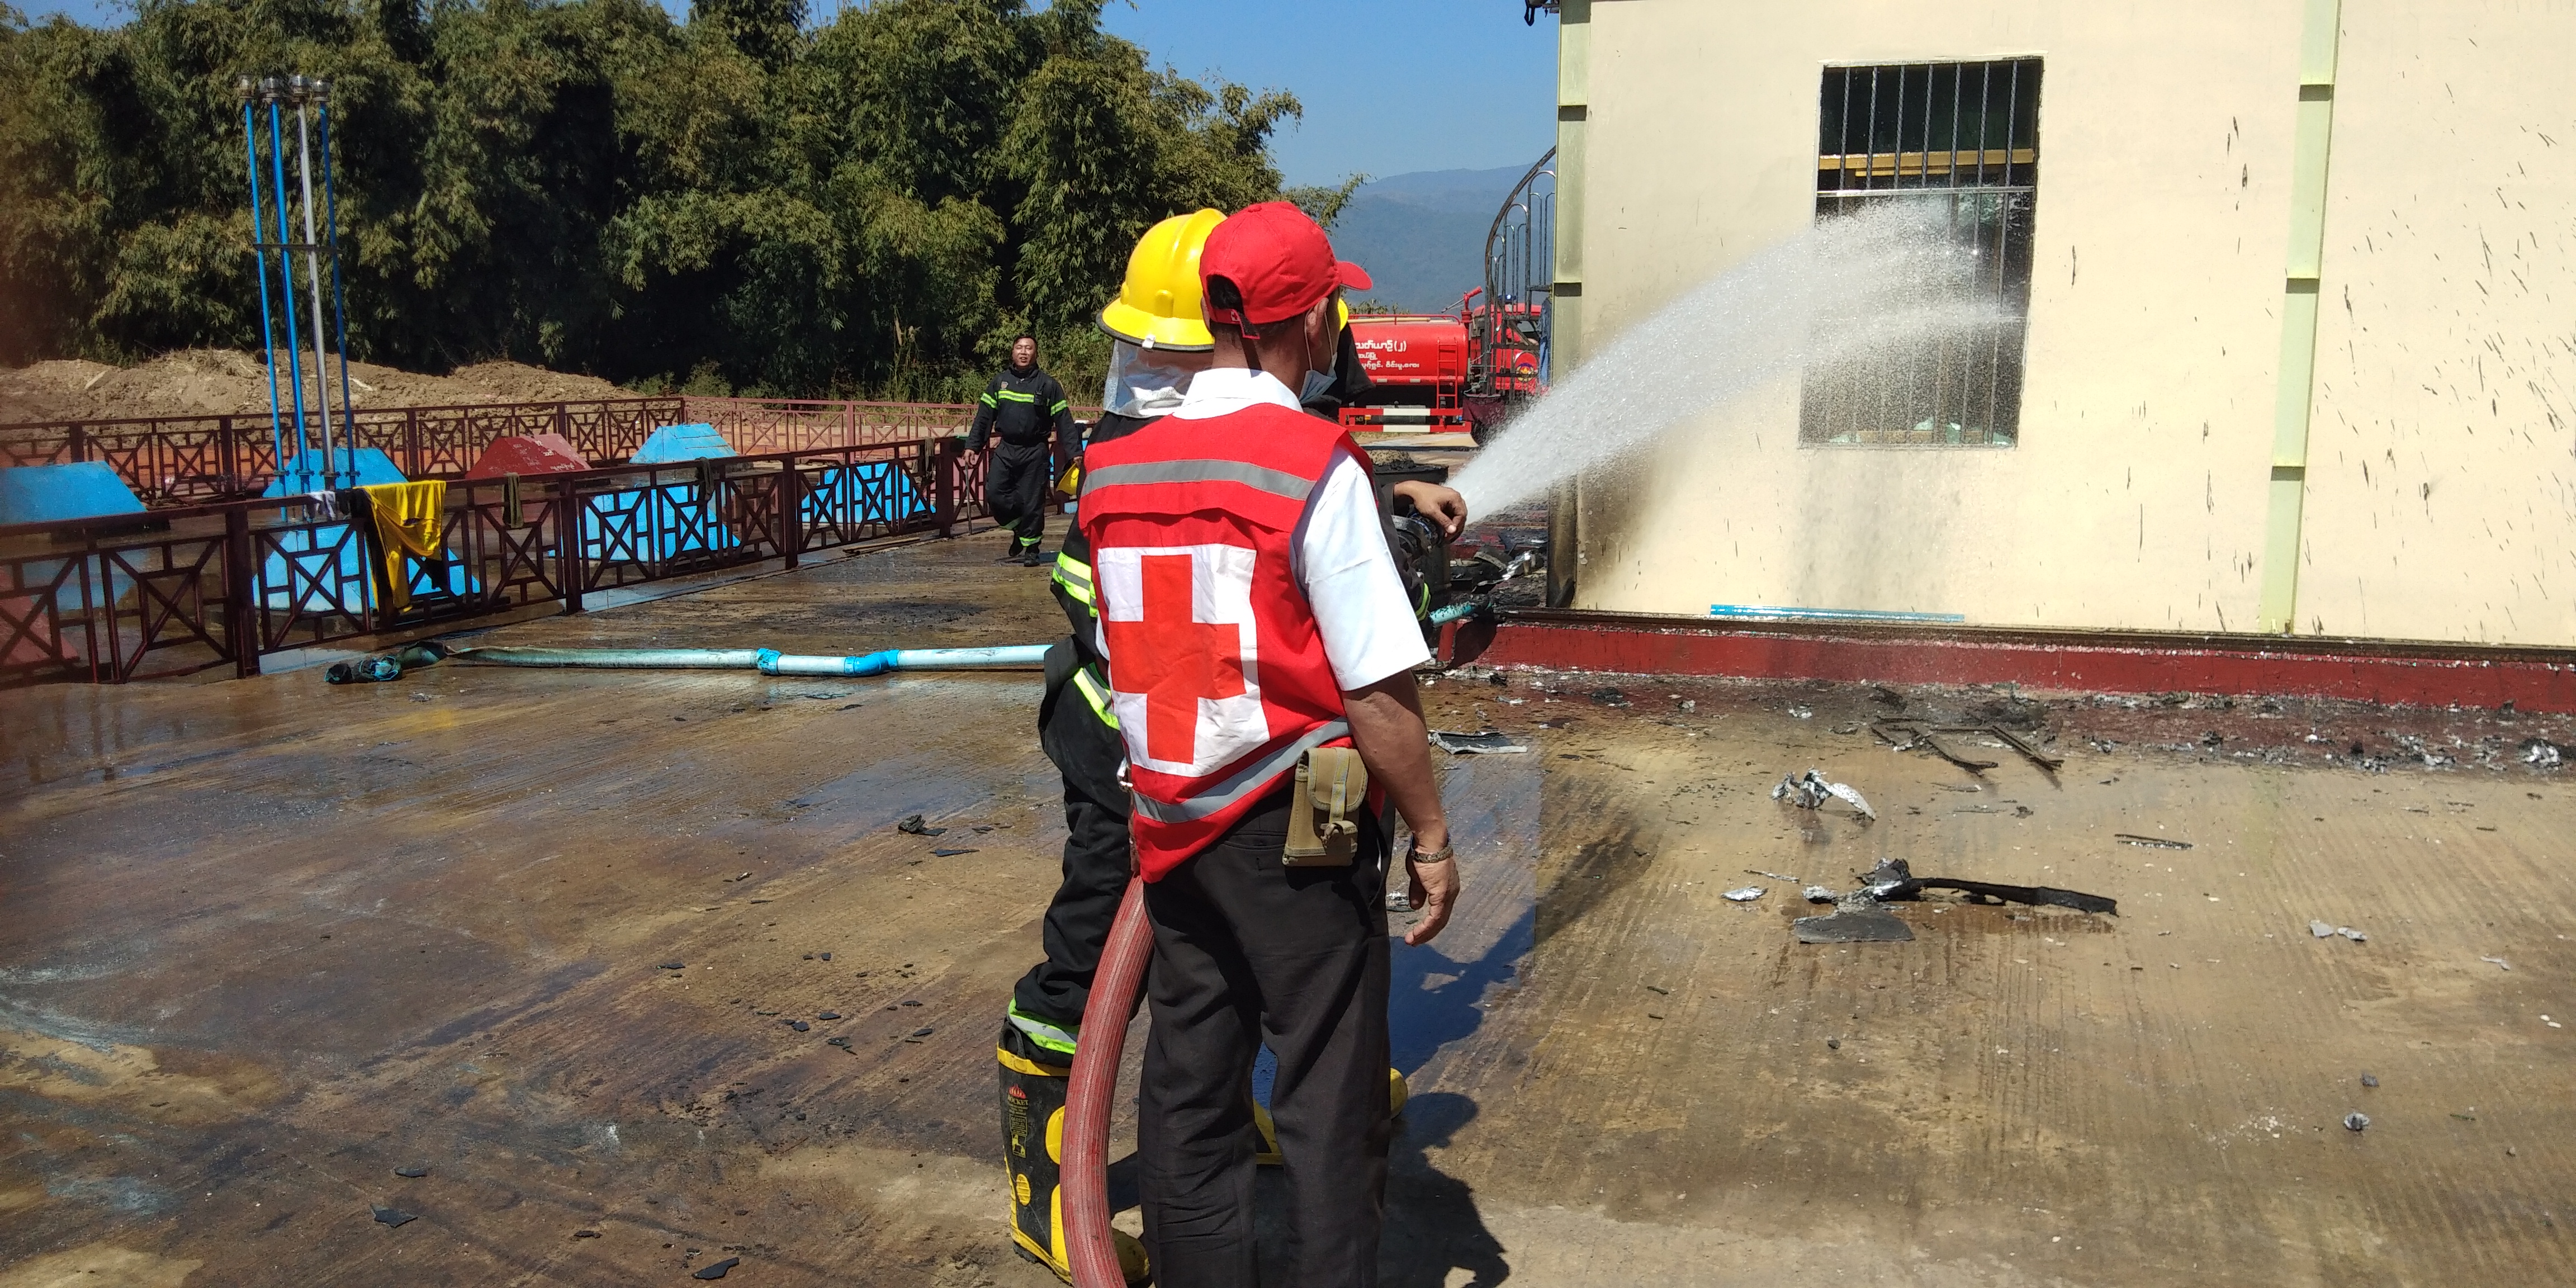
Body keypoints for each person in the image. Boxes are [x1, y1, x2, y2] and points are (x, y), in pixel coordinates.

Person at [995, 209, 1466, 1285]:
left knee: (1189, 1088)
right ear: (1312, 318)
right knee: (1330, 1083)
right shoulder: (1314, 463)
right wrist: (1431, 835)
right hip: (1315, 791)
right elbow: (1377, 693)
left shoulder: (1113, 471)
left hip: (1168, 814)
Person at [965, 333, 1075, 566]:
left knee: (1032, 502)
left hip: (1035, 451)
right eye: (1019, 348)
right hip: (1006, 449)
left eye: (1029, 348)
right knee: (995, 493)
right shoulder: (1000, 382)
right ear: (1013, 352)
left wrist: (1075, 452)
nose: (1024, 352)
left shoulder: (1048, 385)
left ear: (1036, 354)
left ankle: (1032, 550)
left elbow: (1064, 421)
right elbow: (984, 417)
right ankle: (1019, 529)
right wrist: (973, 446)